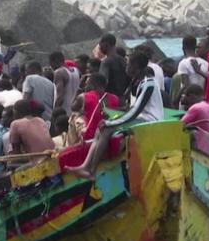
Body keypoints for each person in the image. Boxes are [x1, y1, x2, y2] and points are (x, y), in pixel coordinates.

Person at [66, 51, 164, 179]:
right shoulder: (136, 81)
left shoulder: (148, 83)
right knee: (99, 129)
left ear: (137, 67)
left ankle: (91, 171)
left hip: (150, 120)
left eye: (129, 64)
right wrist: (113, 114)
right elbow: (130, 108)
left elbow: (135, 112)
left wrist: (110, 122)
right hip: (141, 118)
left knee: (106, 129)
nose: (127, 67)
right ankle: (85, 166)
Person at [70, 73, 119, 143]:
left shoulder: (83, 97)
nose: (85, 86)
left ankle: (72, 144)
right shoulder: (115, 98)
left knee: (74, 116)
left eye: (87, 84)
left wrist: (80, 87)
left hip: (89, 135)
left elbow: (72, 107)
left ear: (93, 85)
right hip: (110, 135)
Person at [98, 34, 128, 102]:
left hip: (110, 101)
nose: (100, 48)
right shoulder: (123, 61)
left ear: (106, 45)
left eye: (100, 45)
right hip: (122, 100)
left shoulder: (106, 62)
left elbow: (102, 82)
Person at [50, 51, 79, 115]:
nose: (51, 67)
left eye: (51, 64)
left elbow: (60, 97)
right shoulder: (76, 71)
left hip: (64, 112)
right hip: (75, 112)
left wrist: (54, 113)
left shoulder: (59, 72)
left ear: (55, 61)